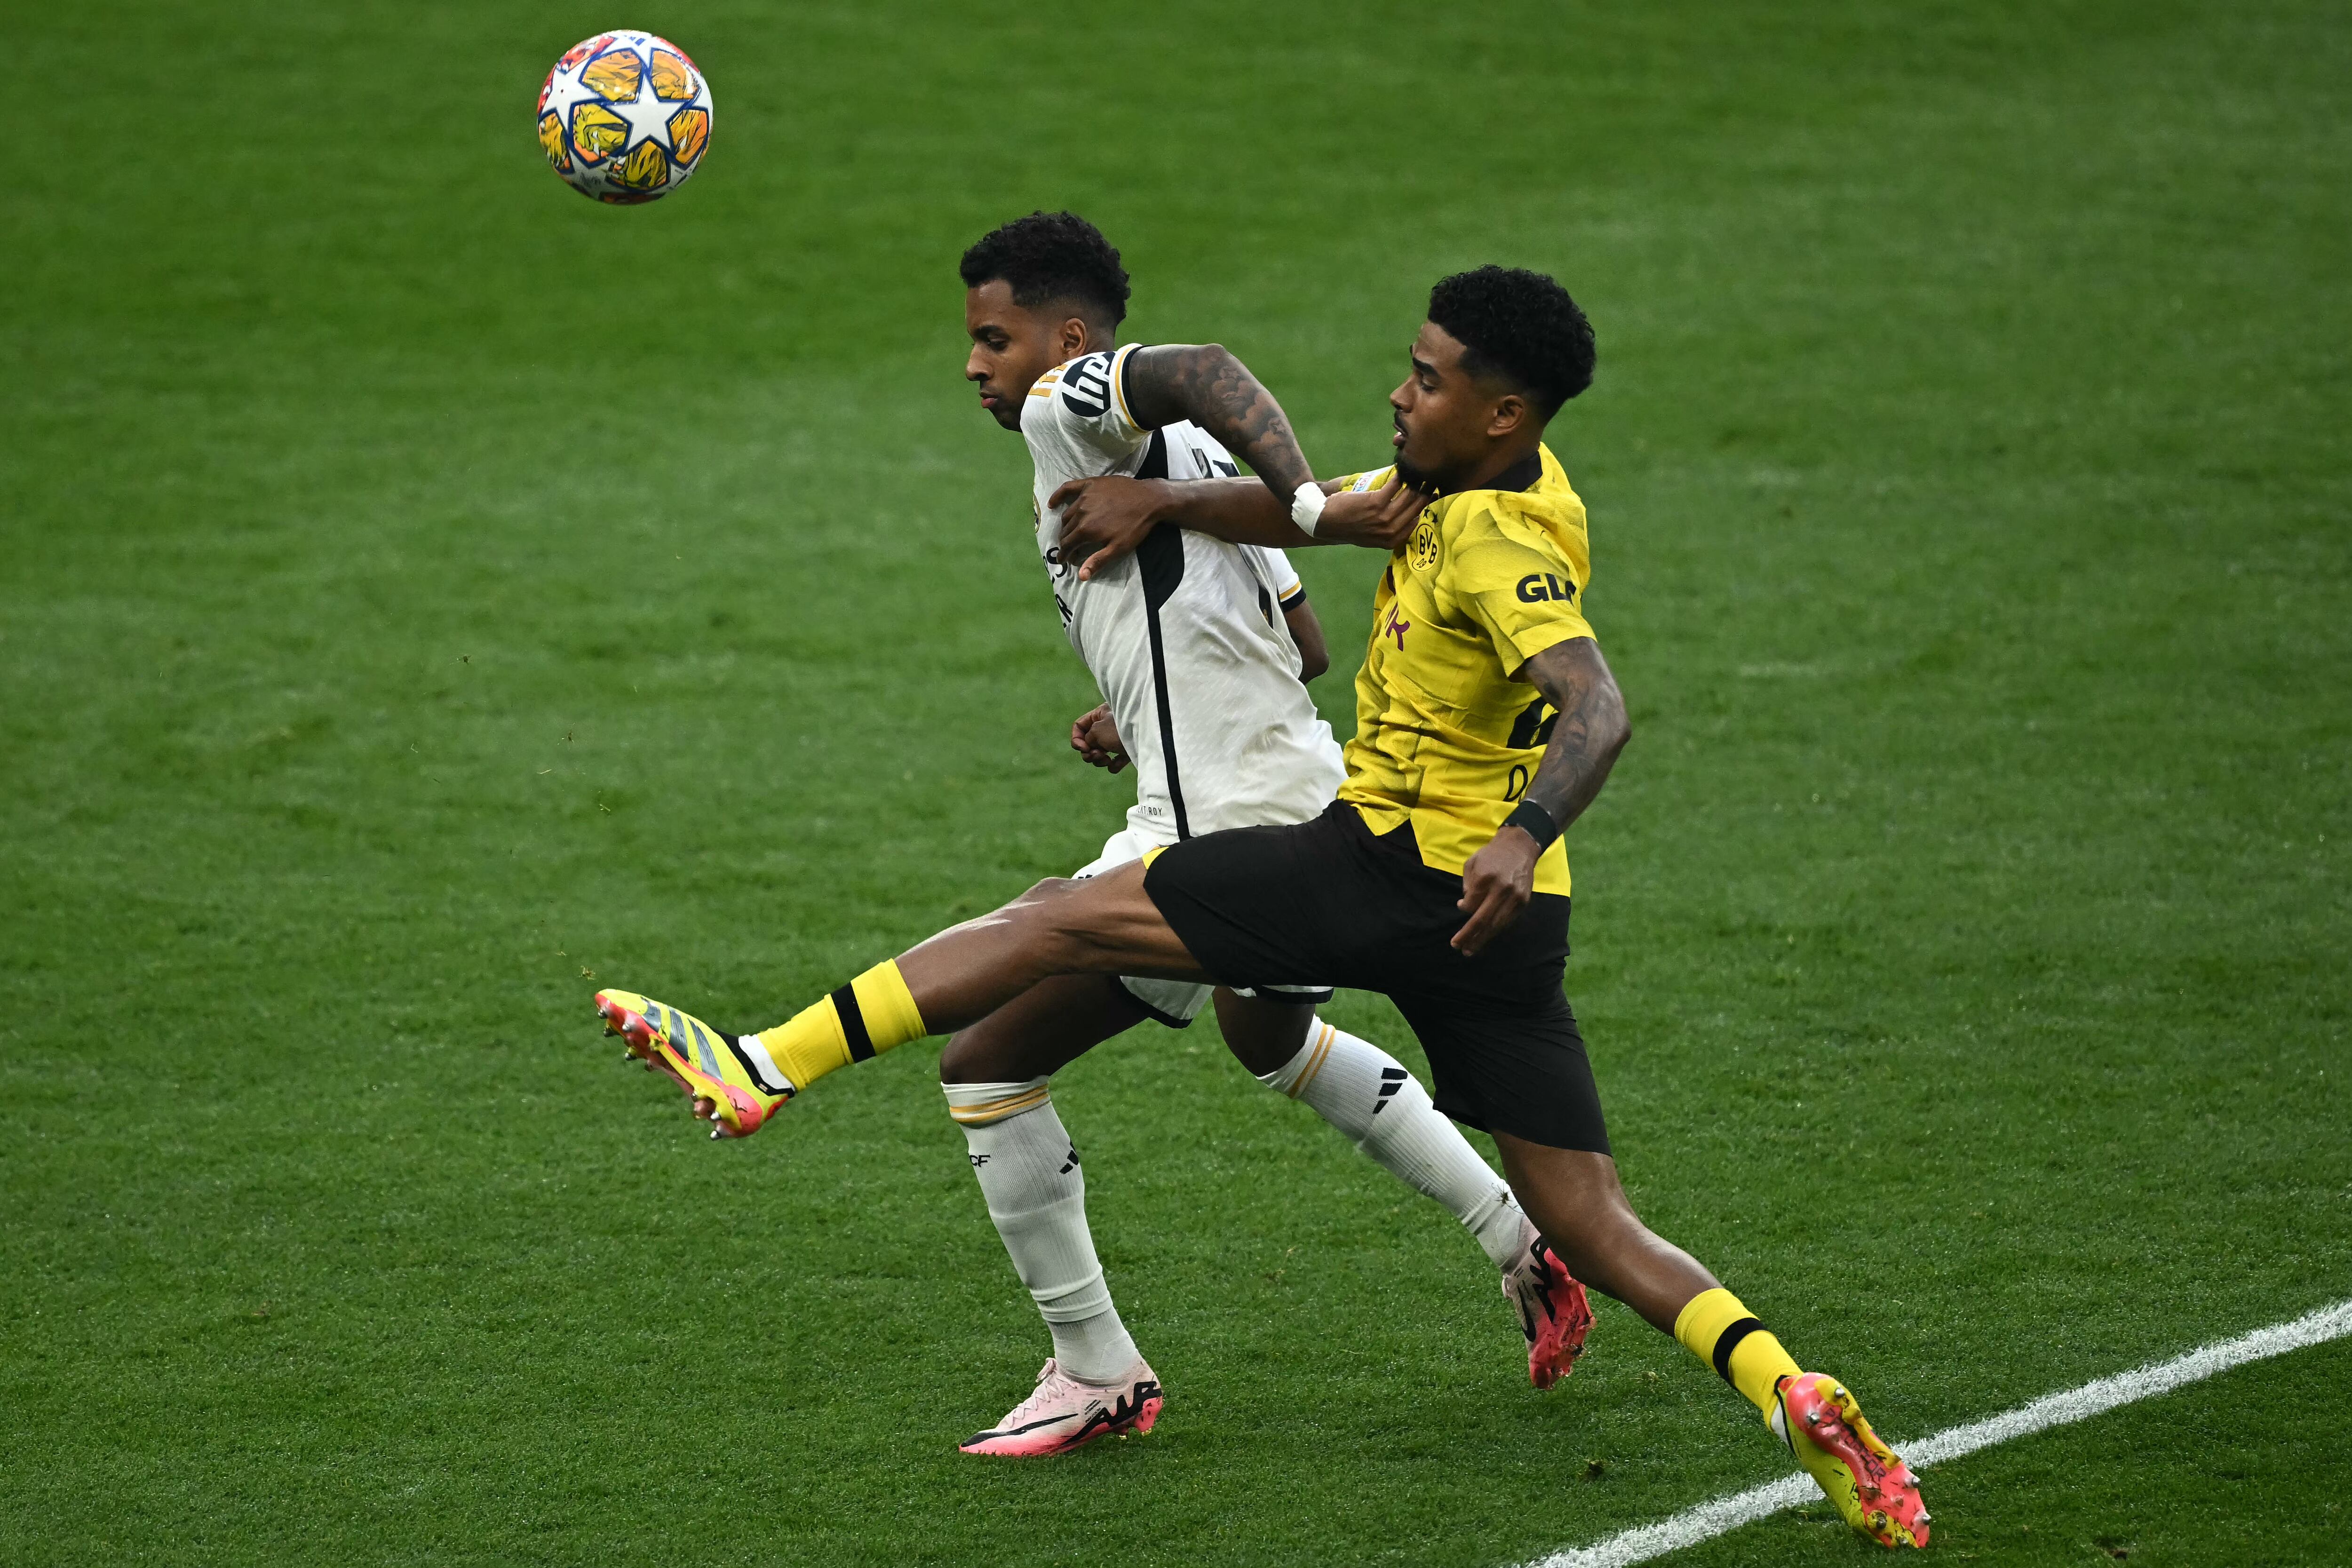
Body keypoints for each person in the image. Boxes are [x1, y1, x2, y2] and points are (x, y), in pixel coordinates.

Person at [595, 215, 1592, 1459]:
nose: (977, 366)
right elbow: (1305, 645)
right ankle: (1525, 1245)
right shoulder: (1164, 464)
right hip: (1292, 787)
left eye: (993, 338)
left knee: (991, 1053)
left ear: (1068, 340)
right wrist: (1141, 702)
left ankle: (776, 1077)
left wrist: (1284, 493)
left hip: (1230, 820)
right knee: (1267, 1034)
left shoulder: (1076, 410)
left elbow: (1207, 366)